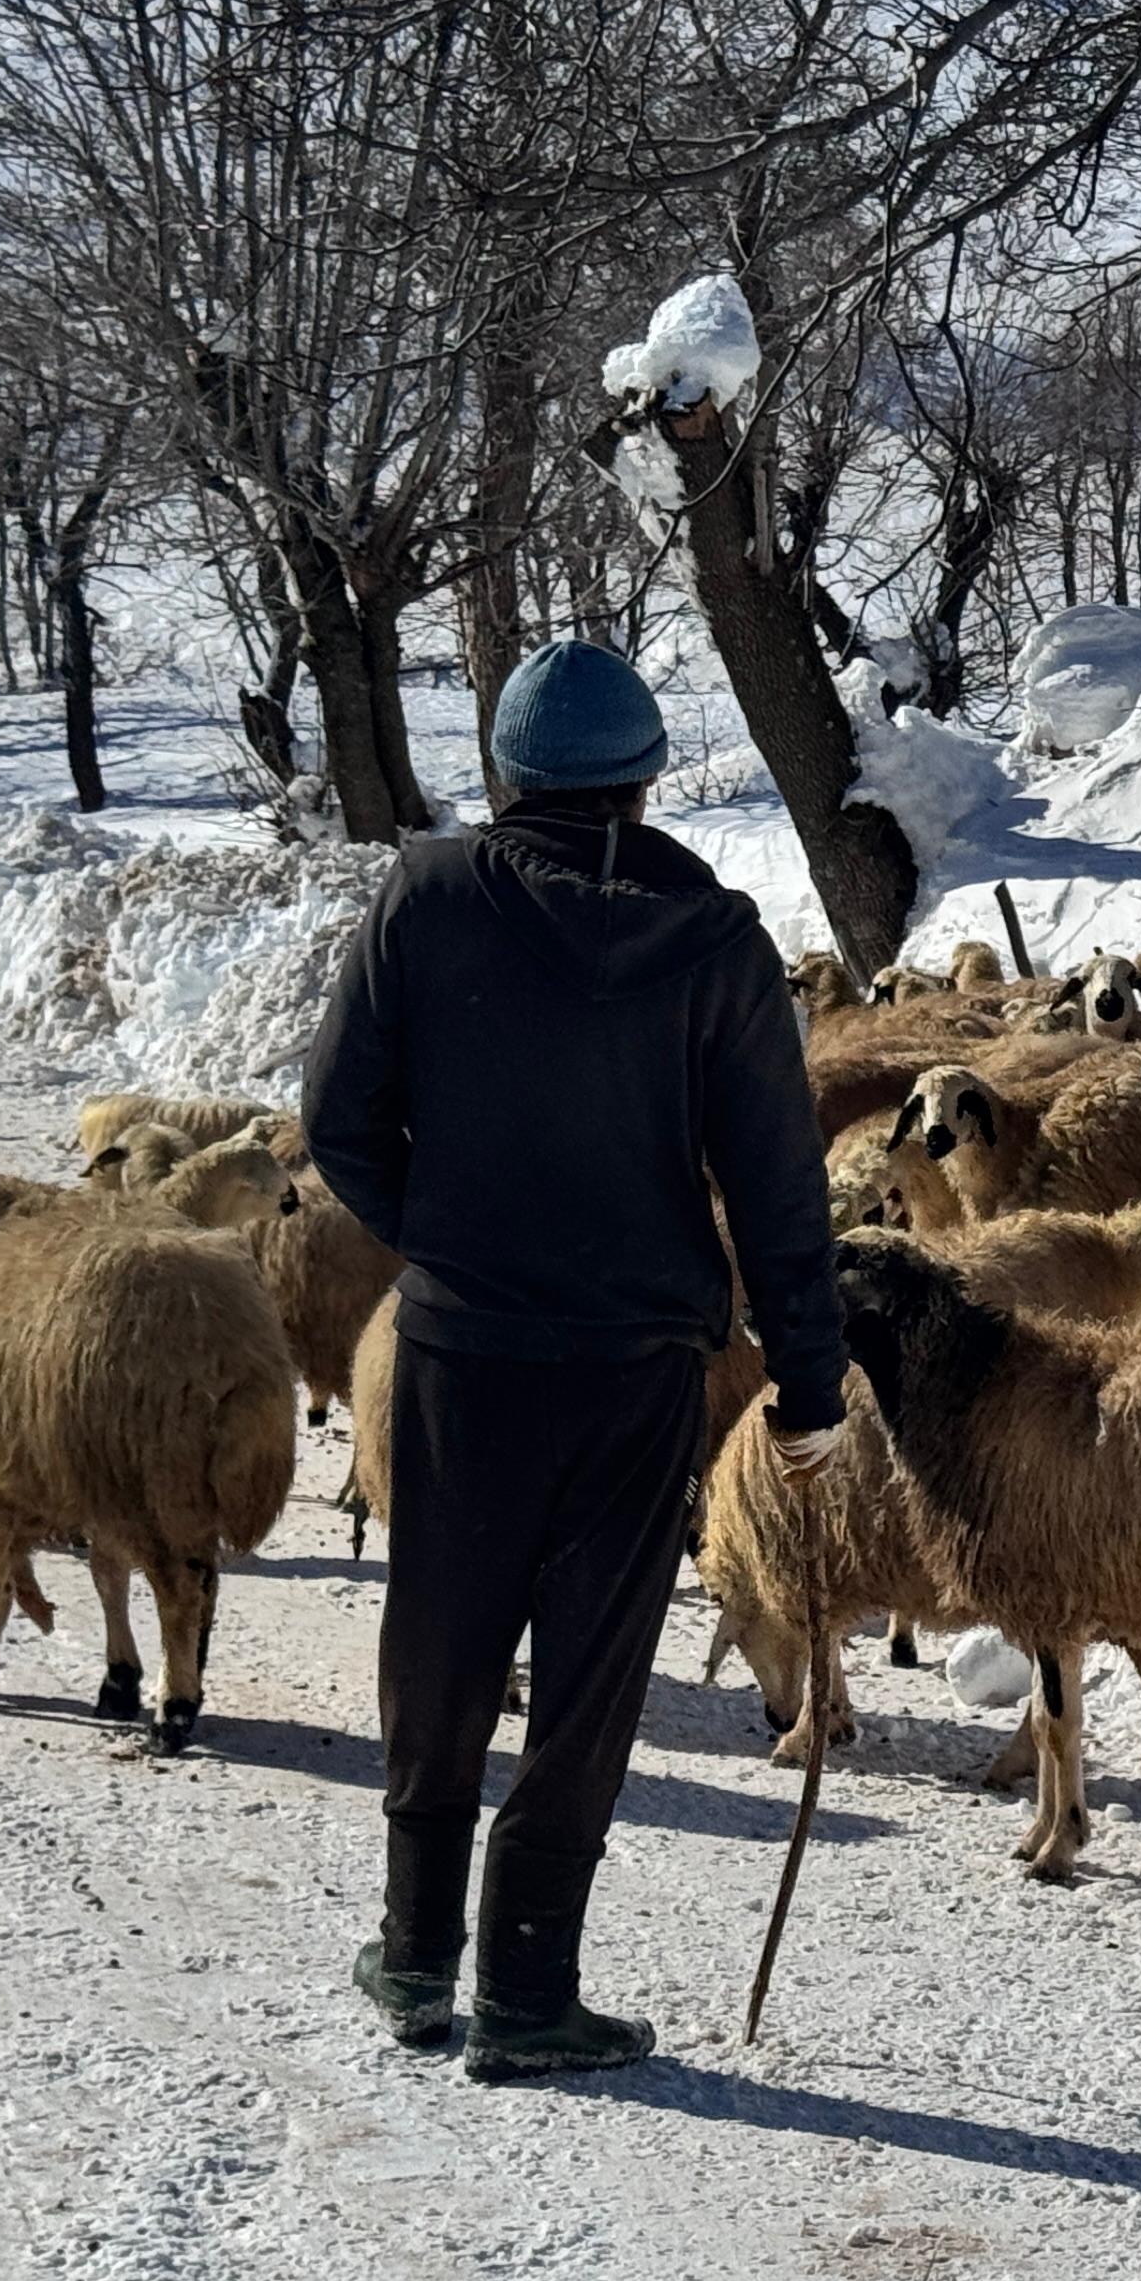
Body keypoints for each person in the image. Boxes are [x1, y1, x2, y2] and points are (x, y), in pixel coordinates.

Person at [302, 639, 845, 2082]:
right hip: (634, 1366)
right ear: (644, 776)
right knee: (592, 1671)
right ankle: (531, 1990)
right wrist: (809, 1388)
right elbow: (782, 1188)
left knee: (441, 1635)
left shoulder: (426, 896)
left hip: (461, 1351)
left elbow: (339, 1116)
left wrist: (449, 1235)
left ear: (509, 774)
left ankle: (417, 1957)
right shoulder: (717, 938)